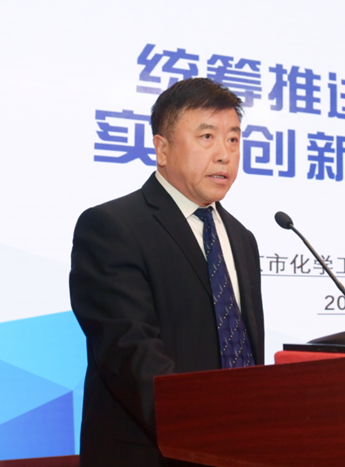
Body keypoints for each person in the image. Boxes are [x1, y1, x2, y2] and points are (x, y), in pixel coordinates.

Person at [69, 78, 265, 467]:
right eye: (207, 137)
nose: (224, 154)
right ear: (161, 149)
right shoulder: (112, 227)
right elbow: (130, 353)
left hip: (241, 451)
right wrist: (210, 434)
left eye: (233, 139)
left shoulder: (242, 239)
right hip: (153, 455)